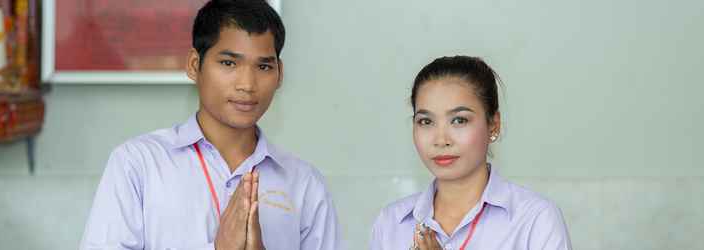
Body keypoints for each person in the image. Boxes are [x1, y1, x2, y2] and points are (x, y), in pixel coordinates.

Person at [80, 1, 340, 249]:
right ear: (195, 65)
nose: (247, 85)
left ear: (279, 74)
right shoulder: (139, 164)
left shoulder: (305, 185)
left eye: (263, 66)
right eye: (229, 63)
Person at [370, 56, 572, 250]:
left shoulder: (534, 219)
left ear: (493, 125)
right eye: (426, 121)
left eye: (459, 120)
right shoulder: (391, 224)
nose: (441, 140)